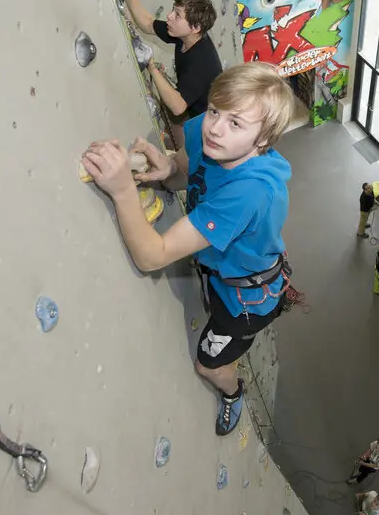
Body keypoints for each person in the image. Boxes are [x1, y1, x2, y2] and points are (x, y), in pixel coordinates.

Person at [81, 63, 294, 436]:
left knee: (207, 364)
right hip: (218, 272)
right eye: (215, 110)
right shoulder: (205, 133)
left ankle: (233, 392)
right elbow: (185, 170)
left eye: (236, 123)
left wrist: (122, 190)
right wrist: (166, 169)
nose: (215, 127)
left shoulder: (251, 191)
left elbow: (152, 255)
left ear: (263, 141)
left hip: (244, 303)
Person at [121, 0, 223, 149]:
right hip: (195, 112)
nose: (169, 16)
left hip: (211, 126)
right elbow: (147, 23)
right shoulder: (185, 36)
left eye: (177, 15)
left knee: (186, 157)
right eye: (173, 10)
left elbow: (178, 107)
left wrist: (151, 66)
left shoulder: (201, 62)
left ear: (195, 28)